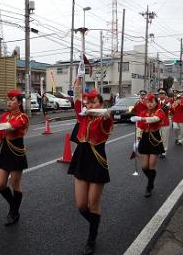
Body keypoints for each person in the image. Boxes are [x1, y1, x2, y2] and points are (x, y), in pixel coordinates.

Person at [68, 86, 113, 255]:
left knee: (93, 204)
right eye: (89, 102)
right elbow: (78, 100)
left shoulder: (104, 119)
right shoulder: (82, 118)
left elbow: (108, 114)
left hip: (97, 161)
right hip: (81, 159)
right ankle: (95, 224)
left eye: (94, 102)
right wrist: (78, 82)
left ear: (101, 103)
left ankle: (92, 238)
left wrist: (94, 111)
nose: (90, 105)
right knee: (81, 205)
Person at [0, 90, 29, 226]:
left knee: (15, 184)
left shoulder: (23, 117)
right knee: (1, 185)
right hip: (5, 151)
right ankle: (14, 206)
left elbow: (13, 127)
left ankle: (14, 212)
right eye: (8, 99)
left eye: (12, 100)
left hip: (17, 152)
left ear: (19, 102)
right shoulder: (4, 116)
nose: (9, 102)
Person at [134, 94, 165, 197]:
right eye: (148, 102)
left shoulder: (159, 111)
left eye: (152, 102)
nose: (149, 104)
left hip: (154, 139)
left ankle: (149, 186)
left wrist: (142, 119)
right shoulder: (143, 112)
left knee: (151, 166)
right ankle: (151, 179)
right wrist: (137, 139)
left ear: (156, 102)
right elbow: (140, 127)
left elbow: (155, 119)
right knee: (144, 167)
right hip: (145, 138)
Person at [157, 88, 171, 158]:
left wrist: (166, 105)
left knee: (164, 138)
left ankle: (164, 152)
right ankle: (159, 150)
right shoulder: (157, 102)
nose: (161, 95)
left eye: (162, 94)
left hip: (165, 122)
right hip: (157, 123)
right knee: (158, 138)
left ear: (165, 95)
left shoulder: (167, 101)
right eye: (160, 94)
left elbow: (167, 108)